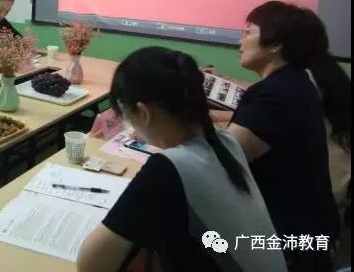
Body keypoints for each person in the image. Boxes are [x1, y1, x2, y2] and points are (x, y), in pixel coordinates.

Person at [77, 47, 286, 272]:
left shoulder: (168, 169)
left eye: (127, 116)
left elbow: (90, 265)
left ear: (143, 112)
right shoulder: (225, 141)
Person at [226, 1, 344, 272]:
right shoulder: (295, 83)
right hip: (314, 233)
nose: (240, 40)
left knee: (197, 236)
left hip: (289, 243)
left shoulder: (273, 94)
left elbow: (221, 162)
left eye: (248, 31)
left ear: (275, 44)